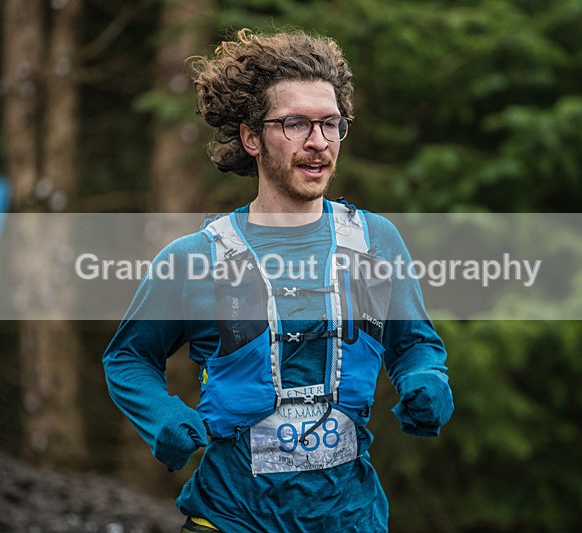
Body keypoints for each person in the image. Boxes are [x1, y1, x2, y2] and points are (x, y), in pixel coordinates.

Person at [103, 29, 453, 532]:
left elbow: (415, 342)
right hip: (230, 517)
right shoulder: (194, 258)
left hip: (351, 519)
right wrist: (159, 414)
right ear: (251, 137)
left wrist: (426, 378)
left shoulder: (377, 240)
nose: (318, 143)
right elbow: (129, 357)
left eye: (331, 124)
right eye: (296, 124)